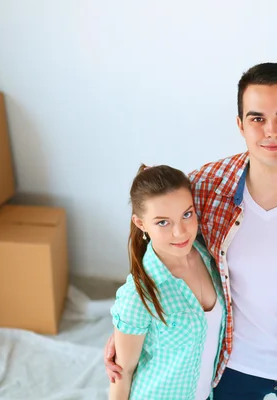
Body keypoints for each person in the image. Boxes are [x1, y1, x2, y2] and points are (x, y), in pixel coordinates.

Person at [105, 63, 277, 400]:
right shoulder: (206, 188)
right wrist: (129, 329)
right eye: (257, 118)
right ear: (240, 125)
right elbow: (160, 232)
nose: (271, 131)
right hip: (226, 370)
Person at [108, 164, 226, 400]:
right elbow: (123, 373)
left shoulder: (210, 256)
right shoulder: (139, 294)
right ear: (141, 224)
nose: (180, 232)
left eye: (187, 214)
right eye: (163, 222)